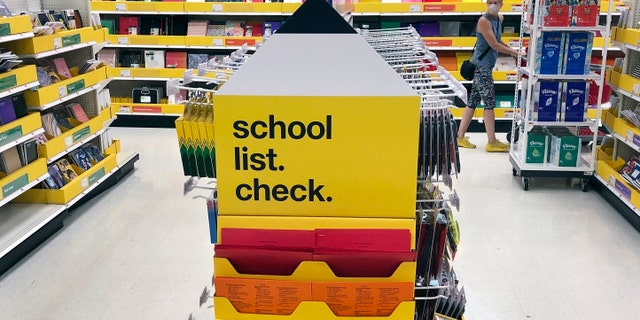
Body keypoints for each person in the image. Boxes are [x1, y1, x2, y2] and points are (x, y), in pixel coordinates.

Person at [457, 0, 520, 152]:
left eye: (496, 2)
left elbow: (498, 40)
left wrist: (512, 49)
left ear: (501, 4)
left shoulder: (500, 18)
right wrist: (516, 53)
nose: (492, 4)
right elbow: (494, 45)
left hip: (485, 66)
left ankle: (459, 137)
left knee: (473, 102)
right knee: (490, 102)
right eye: (490, 2)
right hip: (481, 67)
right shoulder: (484, 21)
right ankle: (491, 141)